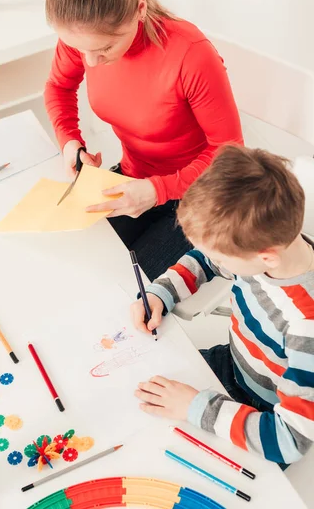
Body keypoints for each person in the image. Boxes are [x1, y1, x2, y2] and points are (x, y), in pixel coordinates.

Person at [44, 0, 243, 281]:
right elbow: (58, 87)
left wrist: (158, 190)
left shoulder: (189, 53)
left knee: (120, 282)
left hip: (202, 198)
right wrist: (69, 141)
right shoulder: (84, 37)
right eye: (78, 49)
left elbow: (230, 154)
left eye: (104, 48)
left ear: (138, 10)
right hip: (136, 181)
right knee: (77, 262)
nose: (90, 61)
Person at [131, 145, 314, 466]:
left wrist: (195, 408)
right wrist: (163, 292)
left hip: (264, 413)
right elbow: (207, 258)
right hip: (233, 364)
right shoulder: (265, 249)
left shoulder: (306, 328)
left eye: (220, 257)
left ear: (266, 257)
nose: (213, 260)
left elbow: (290, 440)